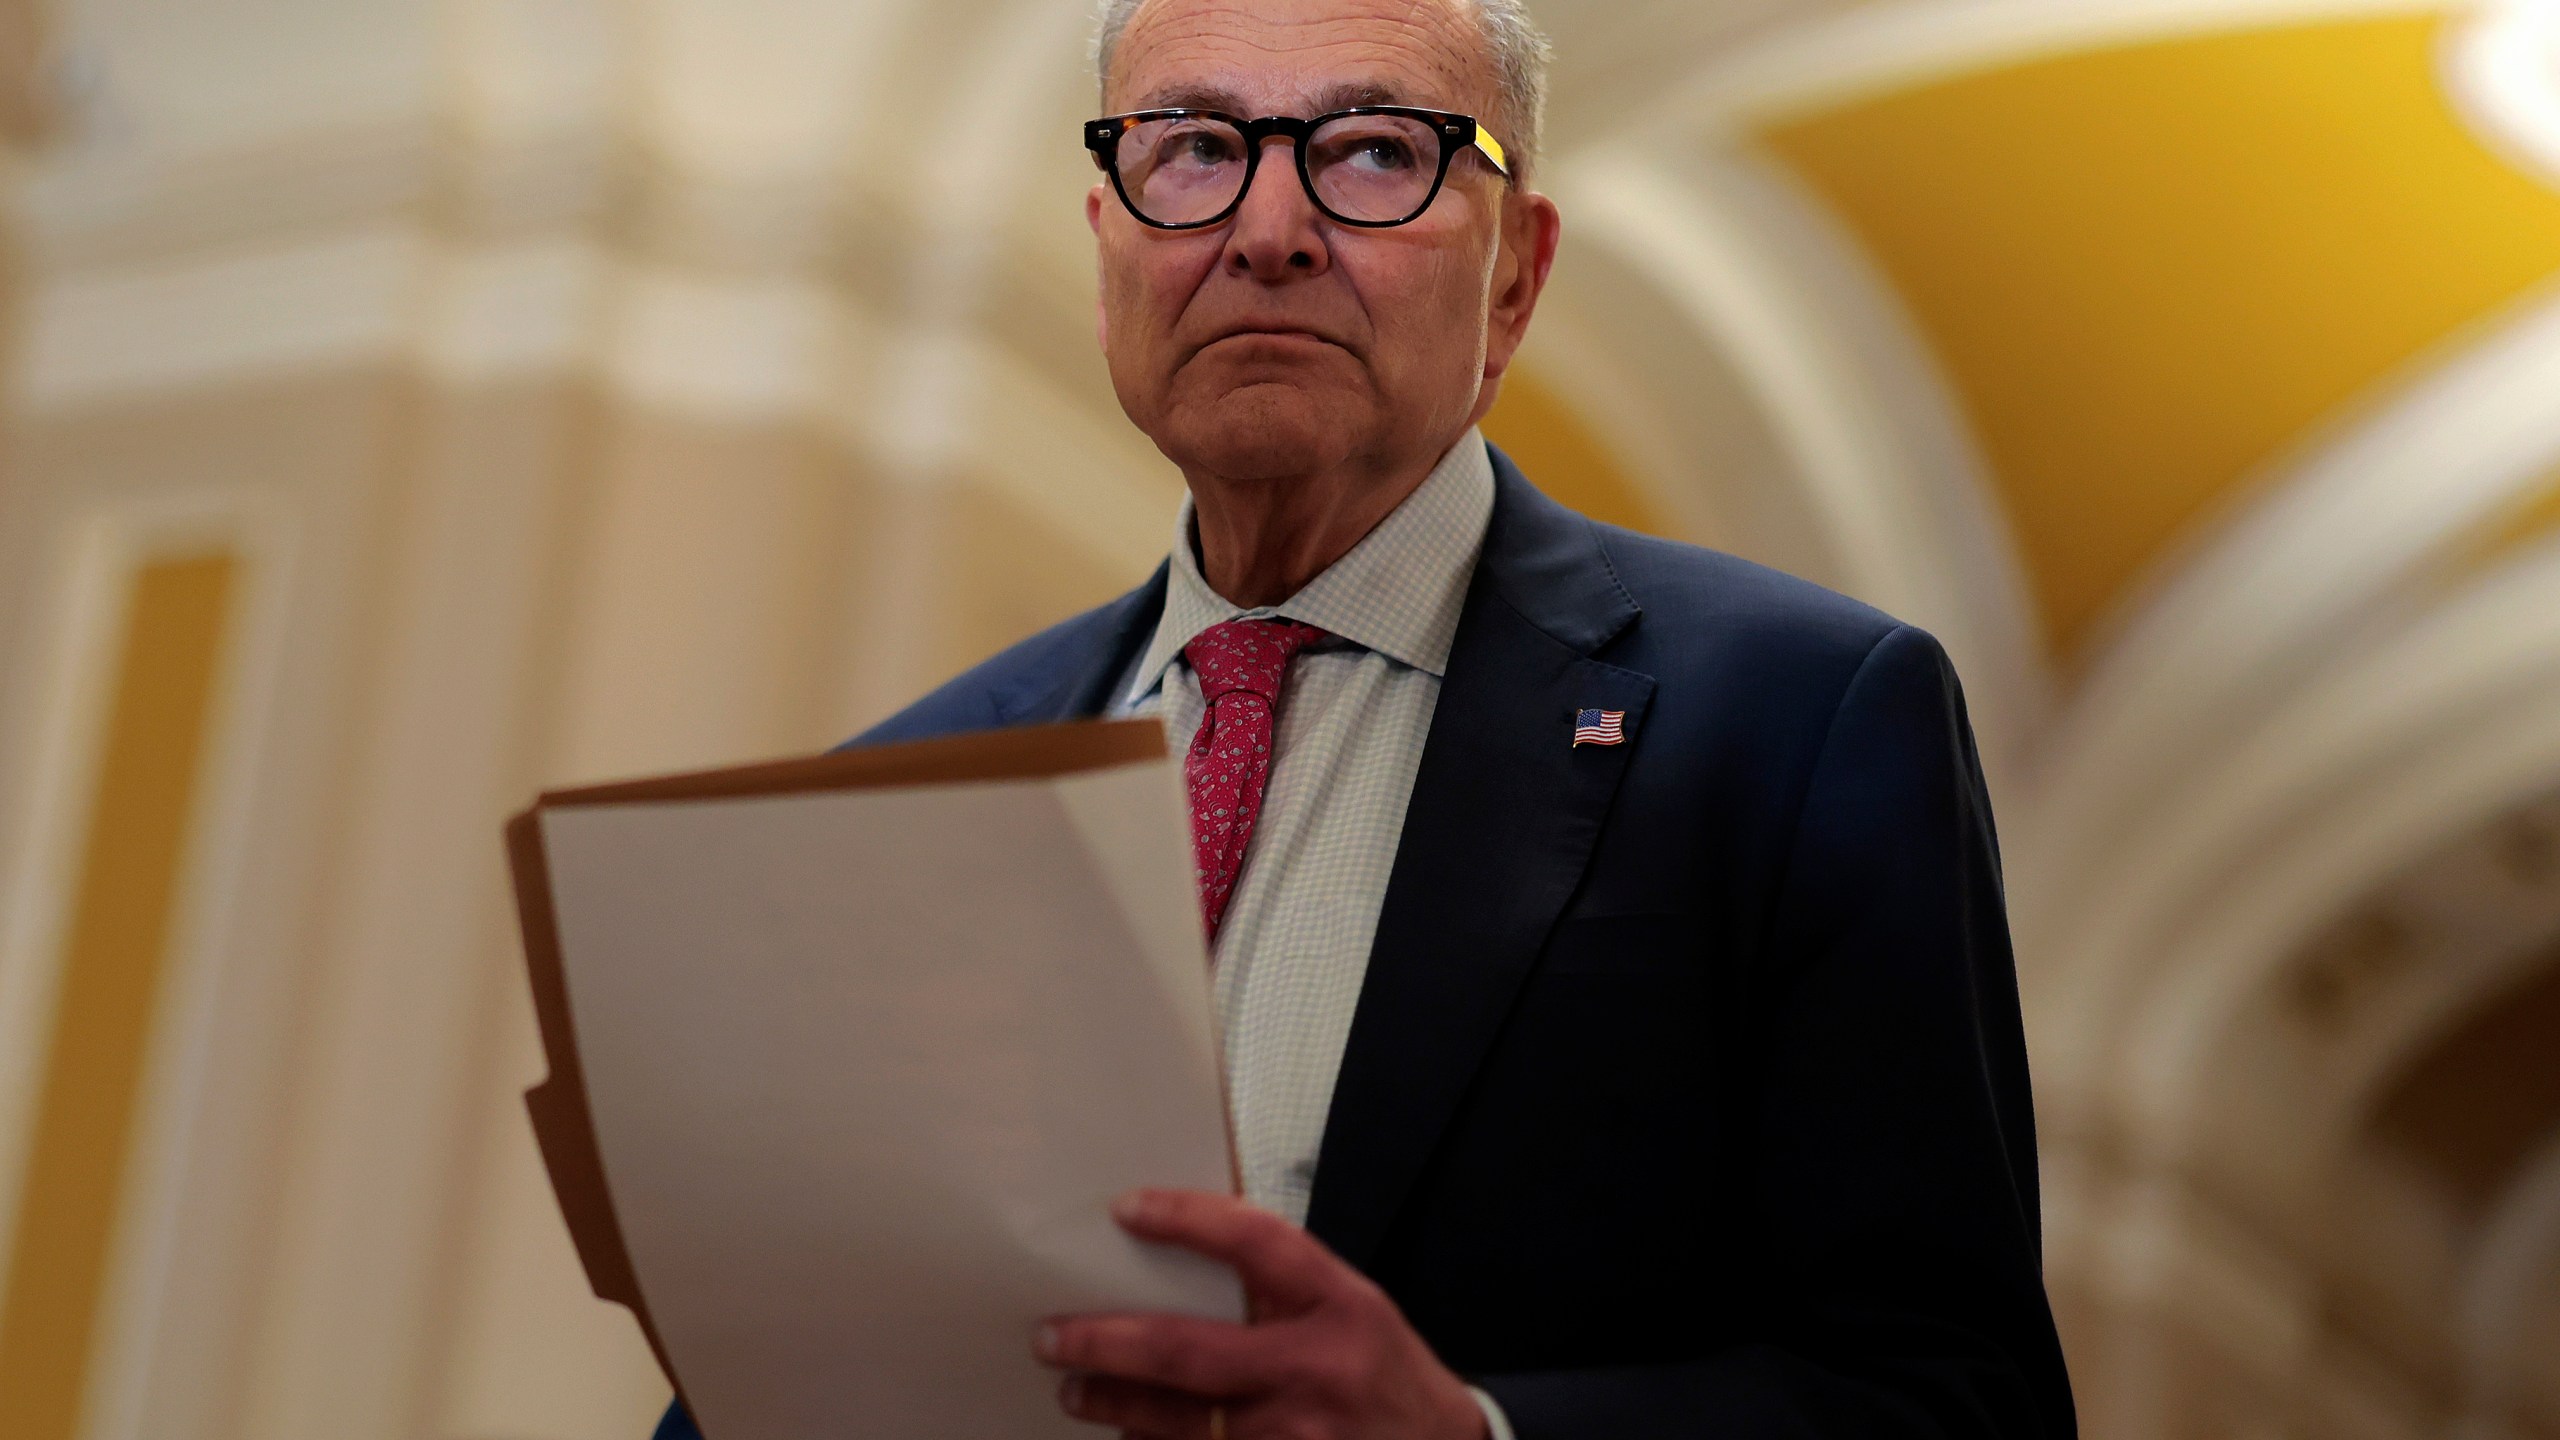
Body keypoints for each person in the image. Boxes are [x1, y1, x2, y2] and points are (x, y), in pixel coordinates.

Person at [655, 0, 2074, 1435]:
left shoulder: (1800, 723)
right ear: (1108, 257)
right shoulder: (910, 785)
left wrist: (1468, 1434)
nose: (1268, 229)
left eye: (1377, 152)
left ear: (1515, 276)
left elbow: (1957, 1400)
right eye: (1197, 148)